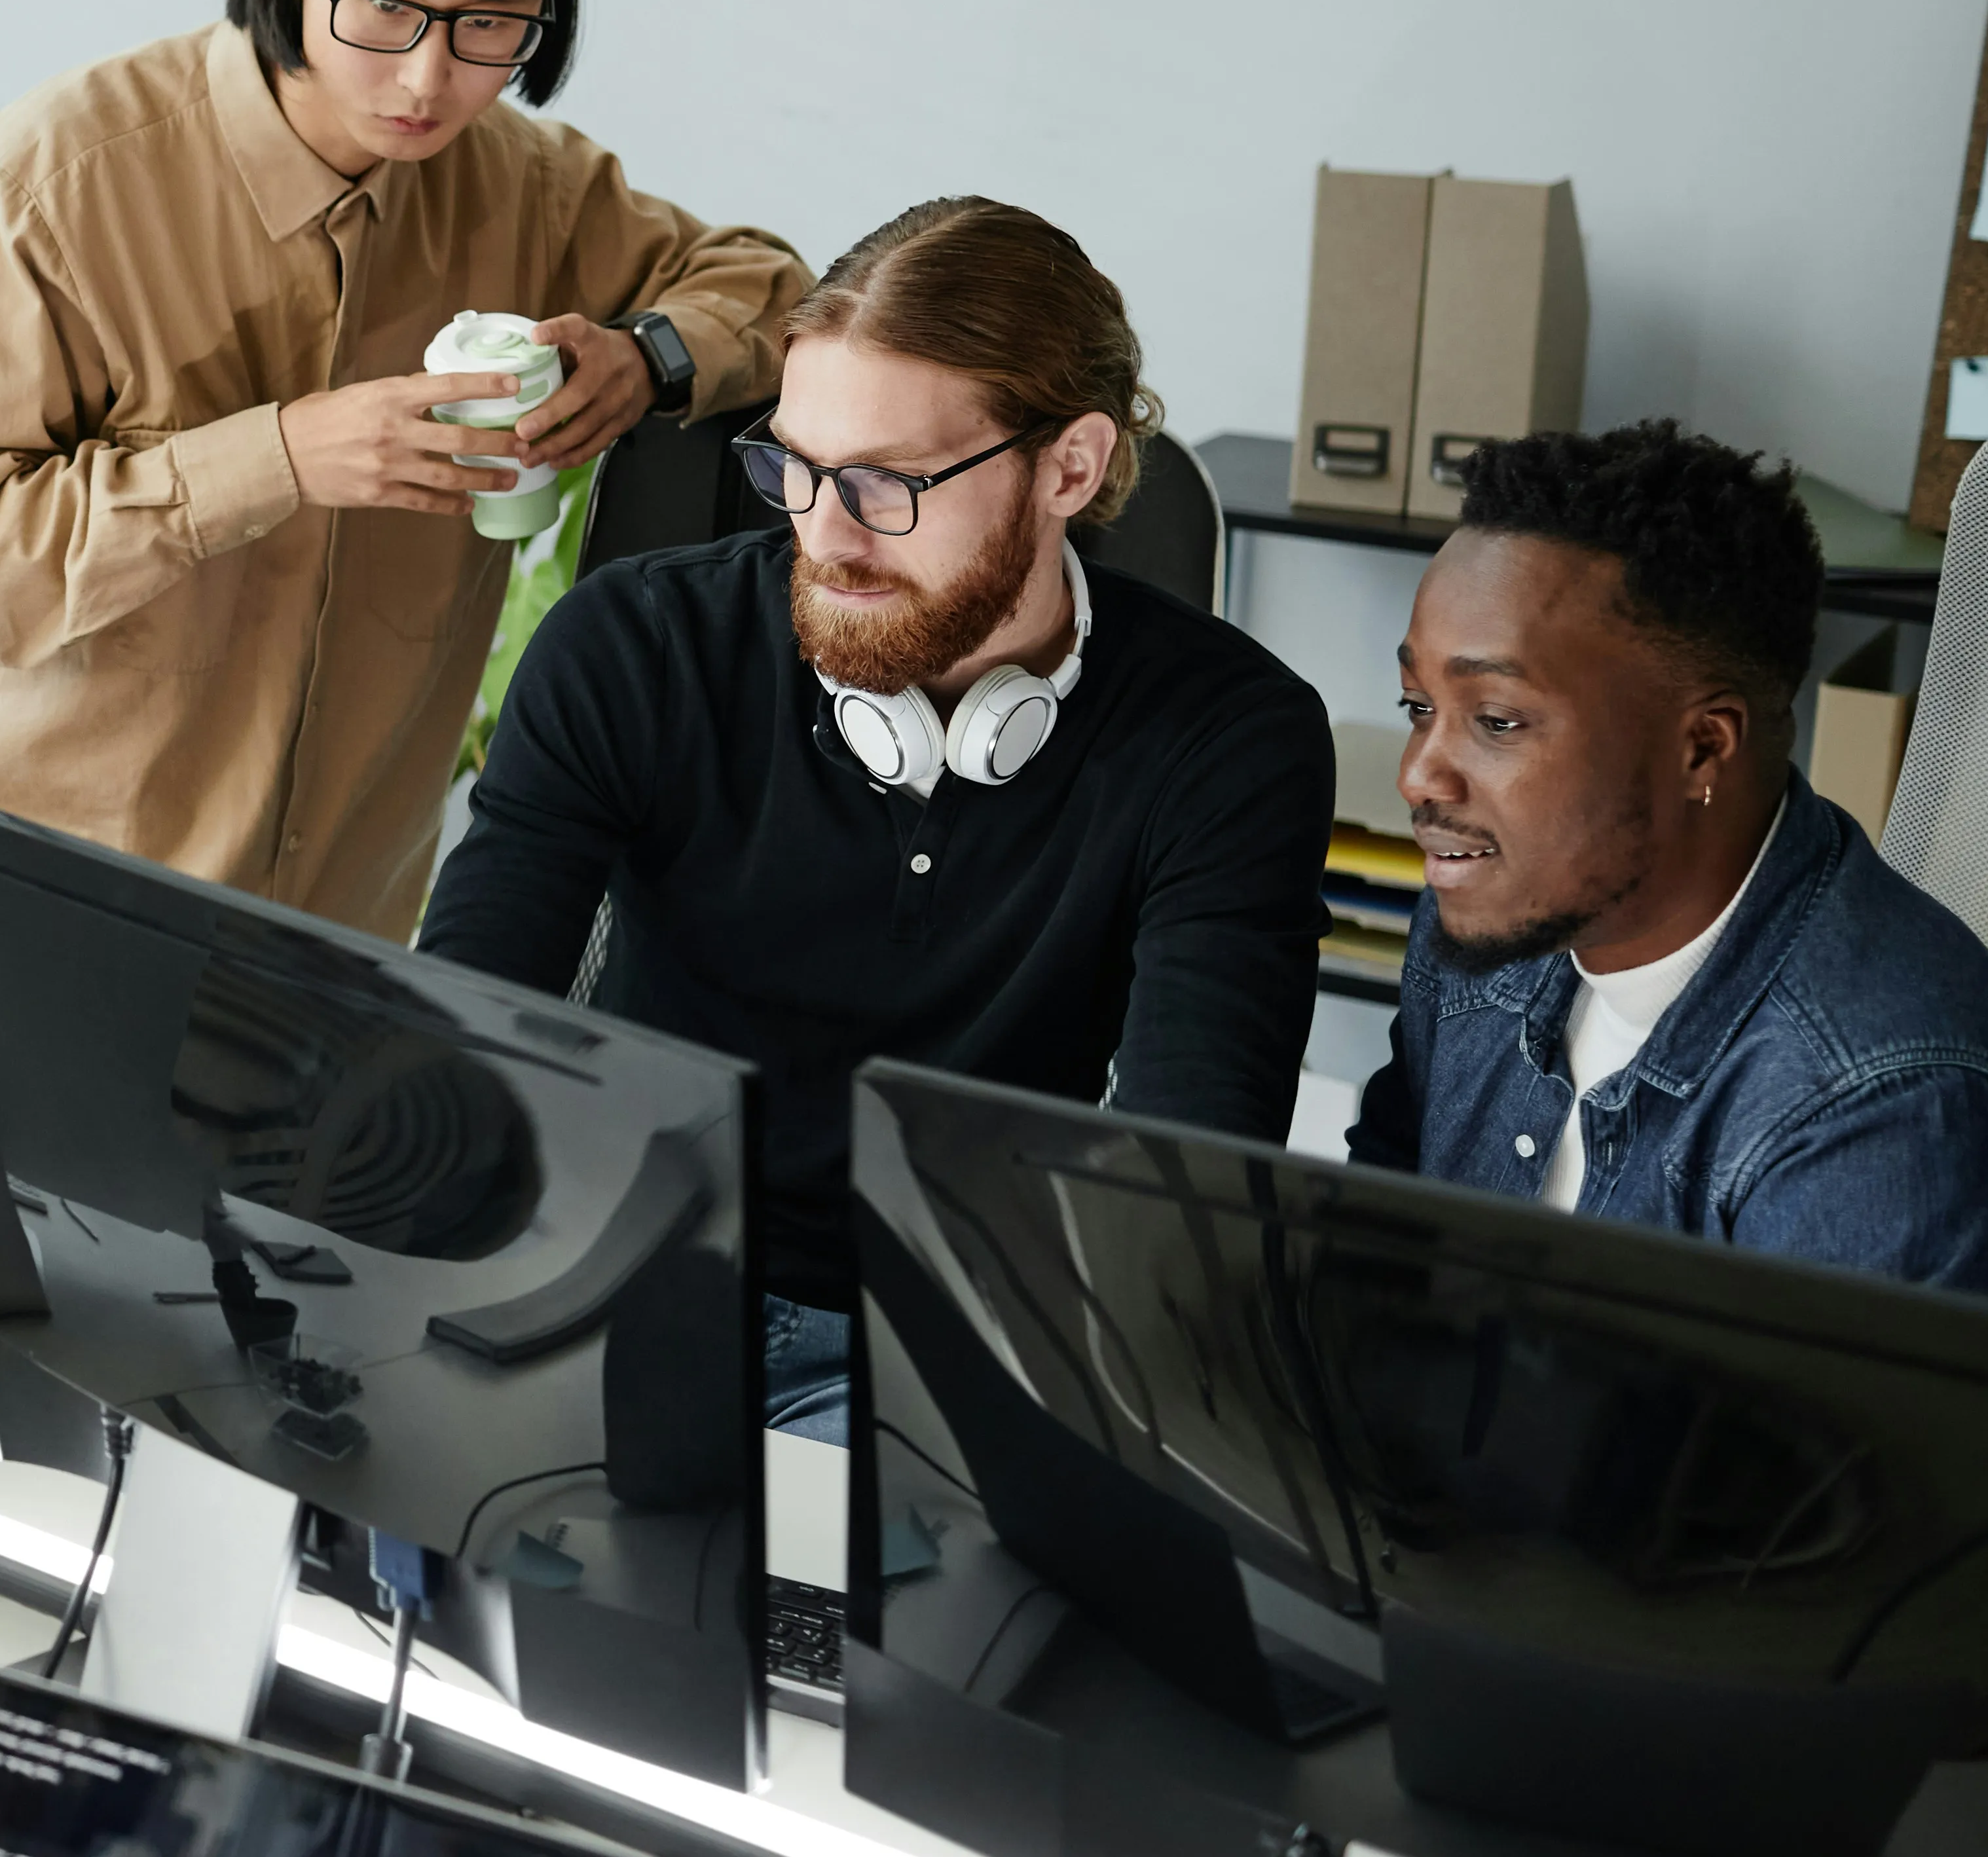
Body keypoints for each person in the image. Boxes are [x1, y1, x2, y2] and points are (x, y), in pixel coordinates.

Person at [421, 198, 1333, 1433]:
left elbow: (1187, 1195)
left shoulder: (1230, 738)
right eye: (791, 468)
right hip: (630, 1292)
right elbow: (462, 1039)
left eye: (887, 484)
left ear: (1068, 467)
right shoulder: (634, 645)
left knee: (814, 1620)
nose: (823, 533)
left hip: (956, 1356)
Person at [0, 0, 805, 937]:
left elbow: (773, 289)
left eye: (492, 23)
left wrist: (648, 357)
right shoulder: (54, 186)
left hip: (343, 922)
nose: (427, 76)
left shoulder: (520, 185)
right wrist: (280, 459)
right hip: (44, 908)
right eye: (384, 4)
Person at [1357, 422, 1988, 1319]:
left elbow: (1804, 1462)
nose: (1419, 774)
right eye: (1418, 706)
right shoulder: (1496, 908)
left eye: (1497, 721)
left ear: (1702, 747)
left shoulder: (1880, 1110)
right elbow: (1375, 1256)